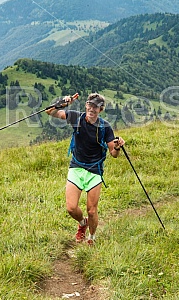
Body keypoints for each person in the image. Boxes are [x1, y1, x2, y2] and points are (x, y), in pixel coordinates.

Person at [47, 92, 125, 246]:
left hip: (95, 170)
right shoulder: (77, 117)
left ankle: (92, 237)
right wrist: (61, 103)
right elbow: (51, 112)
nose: (92, 108)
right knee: (71, 208)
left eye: (96, 106)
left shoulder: (105, 127)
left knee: (92, 210)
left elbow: (114, 154)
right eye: (90, 105)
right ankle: (83, 223)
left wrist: (117, 147)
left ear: (100, 109)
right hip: (76, 166)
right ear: (86, 105)